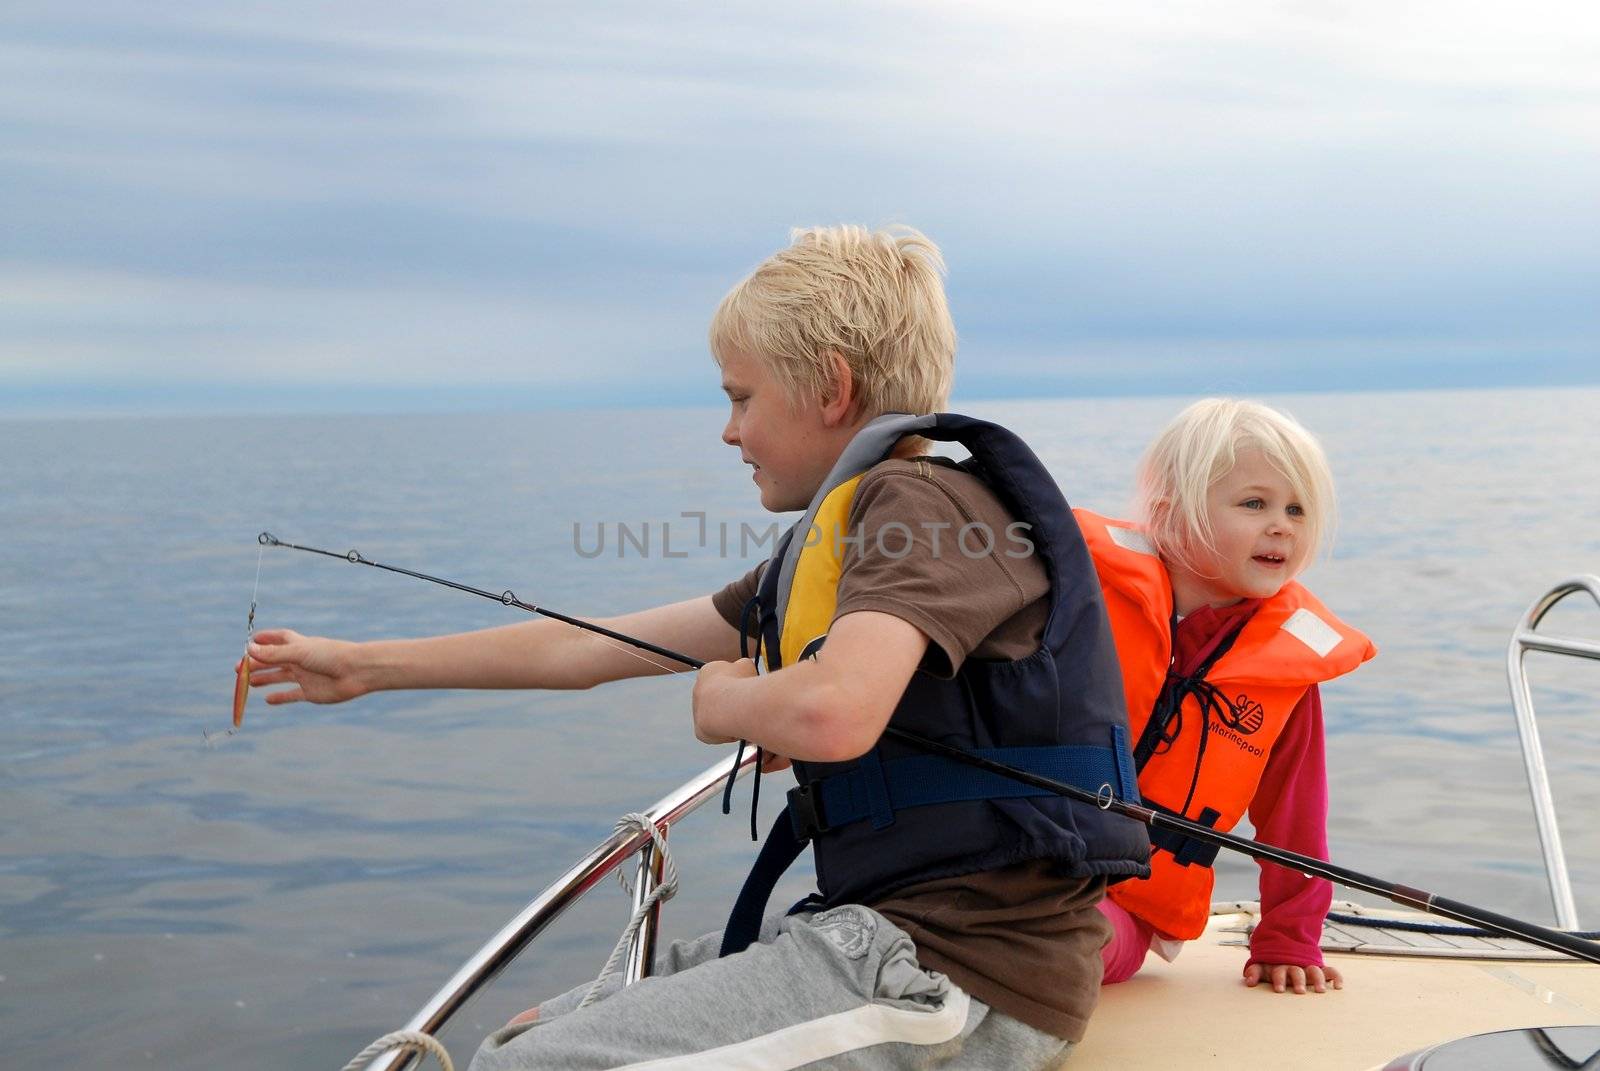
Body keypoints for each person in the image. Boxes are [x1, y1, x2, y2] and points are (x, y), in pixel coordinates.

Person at [245, 225, 1149, 1070]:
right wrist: (365, 667)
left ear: (831, 388)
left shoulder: (916, 505)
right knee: (533, 1031)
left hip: (961, 978)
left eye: (741, 397)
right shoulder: (841, 547)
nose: (728, 431)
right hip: (887, 938)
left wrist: (720, 702)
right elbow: (589, 648)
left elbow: (832, 711)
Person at [1073, 398, 1375, 996]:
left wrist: (1289, 937)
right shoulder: (1083, 604)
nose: (1282, 526)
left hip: (1122, 906)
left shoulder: (1285, 669)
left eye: (1297, 509)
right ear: (1169, 514)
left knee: (1064, 942)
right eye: (1254, 504)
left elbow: (1295, 817)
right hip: (1018, 859)